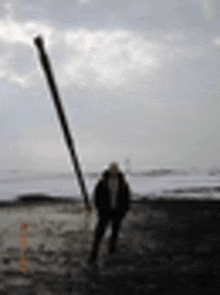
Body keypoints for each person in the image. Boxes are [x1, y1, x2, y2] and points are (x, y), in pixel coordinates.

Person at [88, 162, 131, 264]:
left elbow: (127, 198)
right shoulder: (102, 182)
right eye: (112, 169)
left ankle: (112, 250)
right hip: (105, 211)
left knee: (115, 231)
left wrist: (124, 210)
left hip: (117, 211)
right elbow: (96, 196)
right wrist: (99, 209)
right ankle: (94, 254)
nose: (114, 171)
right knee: (99, 232)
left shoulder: (122, 183)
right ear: (108, 170)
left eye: (115, 170)